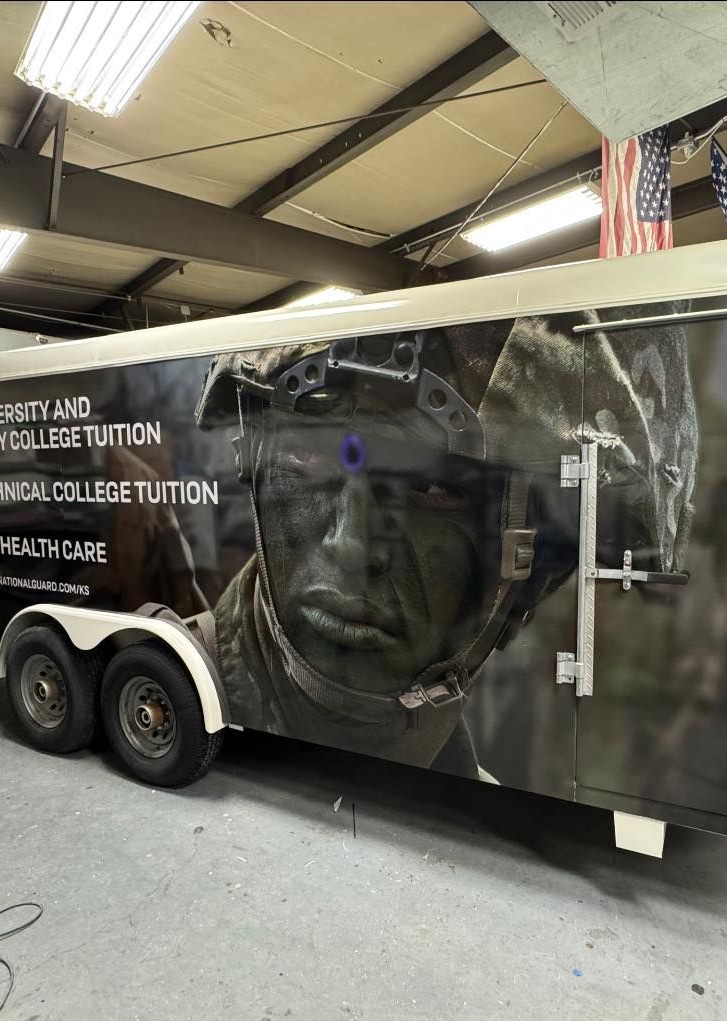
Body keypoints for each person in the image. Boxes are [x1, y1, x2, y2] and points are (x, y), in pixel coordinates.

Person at [192, 311, 696, 778]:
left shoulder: (471, 795)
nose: (351, 545)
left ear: (536, 568)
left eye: (433, 488)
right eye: (310, 455)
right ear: (254, 465)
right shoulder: (194, 706)